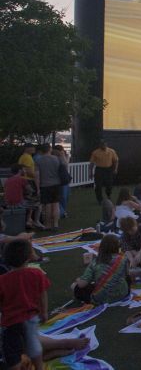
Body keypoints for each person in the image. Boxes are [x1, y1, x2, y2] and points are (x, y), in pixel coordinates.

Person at [0, 239, 50, 370]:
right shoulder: (36, 274)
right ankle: (39, 367)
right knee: (34, 345)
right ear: (29, 257)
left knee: (11, 351)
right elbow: (42, 294)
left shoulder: (2, 280)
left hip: (10, 322)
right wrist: (44, 312)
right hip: (31, 317)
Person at [73, 234, 130, 304]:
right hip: (122, 293)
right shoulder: (123, 258)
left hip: (101, 298)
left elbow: (82, 284)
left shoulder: (95, 262)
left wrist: (78, 280)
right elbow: (128, 274)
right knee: (125, 279)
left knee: (75, 286)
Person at [3, 164, 42, 230]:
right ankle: (35, 221)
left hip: (8, 204)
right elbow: (30, 191)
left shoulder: (7, 180)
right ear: (20, 171)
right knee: (38, 204)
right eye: (24, 169)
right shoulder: (22, 179)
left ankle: (28, 221)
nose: (25, 171)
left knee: (29, 202)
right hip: (18, 204)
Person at [35, 143, 62, 231]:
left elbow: (37, 175)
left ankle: (48, 224)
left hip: (45, 185)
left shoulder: (38, 161)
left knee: (47, 205)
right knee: (56, 204)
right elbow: (63, 168)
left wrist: (38, 188)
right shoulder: (56, 159)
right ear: (49, 149)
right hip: (56, 184)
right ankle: (56, 223)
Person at [89, 140, 119, 205]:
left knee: (109, 184)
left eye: (104, 144)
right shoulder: (95, 152)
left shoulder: (111, 151)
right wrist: (90, 172)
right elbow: (91, 163)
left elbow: (116, 161)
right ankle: (100, 199)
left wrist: (115, 169)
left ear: (106, 144)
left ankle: (108, 196)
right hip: (99, 169)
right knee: (98, 185)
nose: (103, 146)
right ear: (100, 145)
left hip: (109, 169)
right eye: (102, 145)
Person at [52, 145, 71, 218]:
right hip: (58, 179)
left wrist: (62, 155)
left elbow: (65, 164)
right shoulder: (54, 157)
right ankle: (61, 212)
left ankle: (63, 211)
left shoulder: (63, 156)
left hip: (64, 179)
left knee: (64, 196)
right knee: (61, 196)